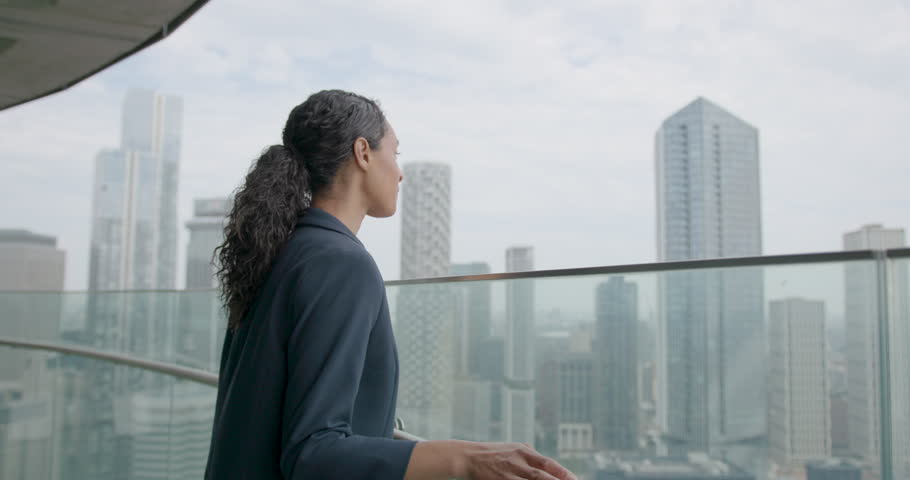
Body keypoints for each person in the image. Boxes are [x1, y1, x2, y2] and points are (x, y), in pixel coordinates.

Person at [205, 89, 576, 480]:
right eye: (394, 154)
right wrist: (468, 460)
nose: (400, 172)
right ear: (363, 153)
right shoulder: (341, 264)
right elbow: (312, 453)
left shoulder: (280, 251)